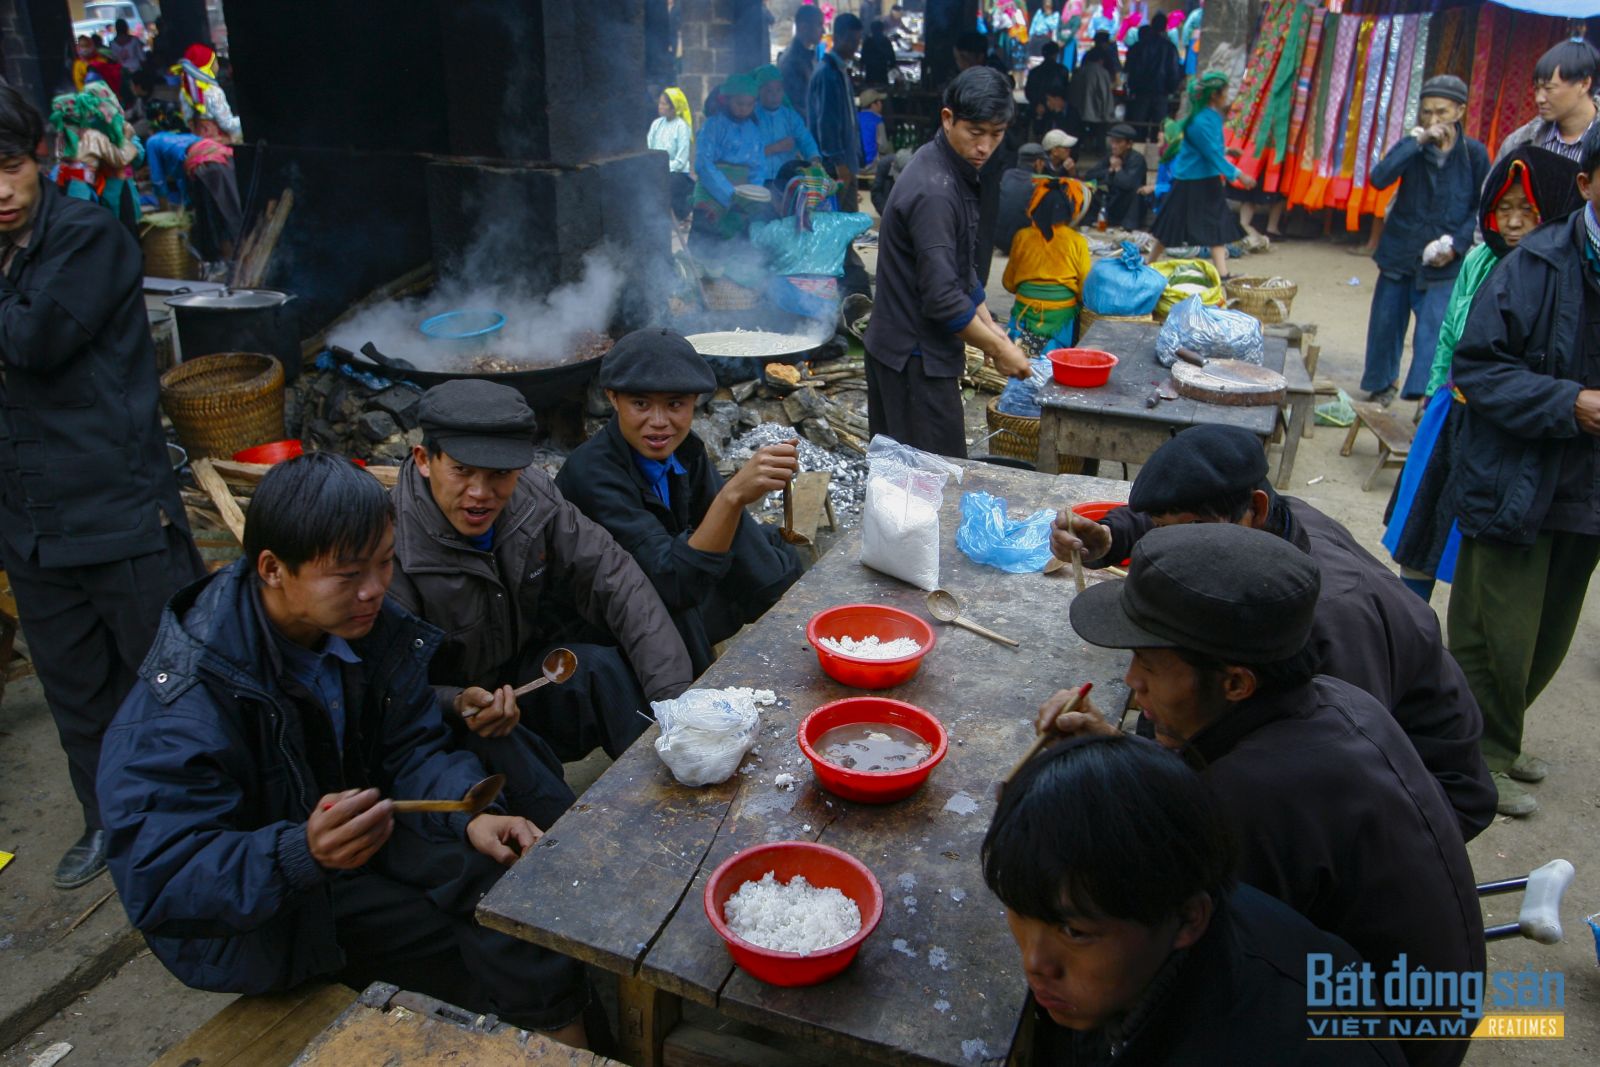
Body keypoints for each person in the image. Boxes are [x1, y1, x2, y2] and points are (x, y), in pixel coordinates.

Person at [97, 455, 596, 1047]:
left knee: (505, 883)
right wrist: (297, 853)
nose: (374, 590)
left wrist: (469, 814)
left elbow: (413, 744)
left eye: (385, 563)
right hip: (280, 906)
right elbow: (160, 880)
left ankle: (577, 1040)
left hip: (357, 839)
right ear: (273, 569)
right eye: (347, 575)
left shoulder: (369, 627)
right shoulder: (185, 703)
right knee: (467, 949)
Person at [1043, 524, 1485, 1067]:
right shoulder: (1333, 699)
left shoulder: (1251, 799)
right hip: (1429, 1009)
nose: (1133, 682)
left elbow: (1170, 972)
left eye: (1150, 664)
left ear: (1235, 684)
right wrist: (1117, 749)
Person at [1049, 424, 1496, 841]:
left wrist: (1135, 762)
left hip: (1422, 802)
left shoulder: (1328, 619)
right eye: (1166, 534)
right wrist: (1111, 536)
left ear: (1256, 509)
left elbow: (1330, 765)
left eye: (1184, 533)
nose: (1175, 546)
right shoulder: (1262, 522)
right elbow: (1162, 521)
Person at [0, 84, 203, 890]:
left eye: (10, 167)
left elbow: (32, 338)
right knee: (76, 692)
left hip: (119, 508)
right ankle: (108, 821)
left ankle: (197, 819)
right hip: (33, 521)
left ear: (39, 160)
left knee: (167, 676)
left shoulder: (86, 236)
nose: (1, 191)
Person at [986, 734, 1402, 1066]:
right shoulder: (1143, 950)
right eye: (1019, 913)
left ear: (1188, 919)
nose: (1035, 964)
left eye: (1074, 932)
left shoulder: (1290, 1045)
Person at [387, 381, 694, 765]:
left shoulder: (531, 496)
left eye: (499, 473)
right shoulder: (391, 547)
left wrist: (678, 704)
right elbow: (387, 689)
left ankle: (673, 773)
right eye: (461, 471)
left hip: (523, 679)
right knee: (537, 796)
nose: (480, 492)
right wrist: (456, 701)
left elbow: (612, 576)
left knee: (602, 670)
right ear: (423, 459)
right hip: (451, 725)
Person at [1445, 123, 1600, 818]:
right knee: (1492, 631)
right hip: (1516, 474)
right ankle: (1476, 757)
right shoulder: (1533, 263)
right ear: (1588, 185)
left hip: (1587, 487)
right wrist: (1570, 402)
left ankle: (1502, 738)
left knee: (1549, 631)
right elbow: (1475, 369)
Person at [1383, 146, 1580, 607]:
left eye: (1527, 211)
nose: (1512, 223)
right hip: (1453, 412)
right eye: (1504, 209)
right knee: (1422, 532)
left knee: (1476, 550)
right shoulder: (1478, 261)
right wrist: (1434, 394)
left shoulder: (1560, 279)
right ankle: (1412, 627)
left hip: (1508, 430)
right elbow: (1450, 335)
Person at [556, 331, 805, 674]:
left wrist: (789, 609)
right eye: (640, 404)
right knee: (680, 611)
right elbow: (670, 583)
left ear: (693, 402)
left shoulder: (686, 450)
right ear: (613, 398)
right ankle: (695, 698)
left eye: (675, 404)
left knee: (772, 551)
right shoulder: (592, 475)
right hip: (603, 625)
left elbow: (734, 533)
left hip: (673, 577)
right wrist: (733, 496)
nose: (659, 423)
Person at [864, 67, 1031, 457]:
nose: (985, 147)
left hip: (916, 352)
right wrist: (1001, 349)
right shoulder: (934, 191)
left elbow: (961, 267)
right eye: (976, 132)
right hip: (910, 360)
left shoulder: (953, 169)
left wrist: (992, 331)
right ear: (947, 119)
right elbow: (941, 297)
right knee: (922, 479)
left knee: (916, 475)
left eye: (997, 134)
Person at [1359, 75, 1488, 406]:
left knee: (1434, 332)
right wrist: (1417, 142)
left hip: (1444, 261)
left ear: (1459, 111)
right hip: (1400, 251)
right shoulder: (1411, 147)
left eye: (1441, 112)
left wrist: (1457, 245)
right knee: (1386, 324)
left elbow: (1480, 206)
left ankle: (1426, 399)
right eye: (1427, 112)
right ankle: (1381, 386)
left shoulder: (1474, 154)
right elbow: (1379, 178)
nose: (1433, 121)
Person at [1149, 72, 1255, 279]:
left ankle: (1222, 272)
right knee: (1172, 222)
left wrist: (1228, 152)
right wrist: (1239, 175)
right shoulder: (1198, 122)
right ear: (1214, 95)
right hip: (1190, 179)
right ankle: (1148, 262)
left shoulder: (1212, 116)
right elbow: (1210, 152)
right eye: (1224, 91)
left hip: (1207, 177)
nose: (1227, 95)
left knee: (1216, 222)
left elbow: (1212, 149)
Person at [1003, 176, 1091, 356]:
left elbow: (1009, 283)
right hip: (1061, 319)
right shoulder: (1077, 241)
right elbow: (1084, 291)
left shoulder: (1022, 236)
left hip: (1023, 316)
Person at [48, 82, 142, 233]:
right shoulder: (93, 135)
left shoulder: (63, 136)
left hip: (76, 187)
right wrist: (127, 139)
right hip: (91, 189)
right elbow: (121, 158)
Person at [691, 74, 767, 243]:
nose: (744, 109)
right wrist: (730, 194)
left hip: (742, 194)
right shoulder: (713, 126)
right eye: (739, 104)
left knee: (737, 246)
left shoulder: (753, 130)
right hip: (711, 191)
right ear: (725, 100)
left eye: (749, 105)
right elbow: (703, 164)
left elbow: (758, 166)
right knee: (705, 243)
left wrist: (753, 194)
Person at [1498, 39, 1600, 163]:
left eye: (1549, 89)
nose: (1539, 99)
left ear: (1584, 84)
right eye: (1537, 89)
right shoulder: (1519, 142)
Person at [808, 12, 864, 213]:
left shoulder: (840, 71)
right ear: (837, 38)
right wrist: (839, 163)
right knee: (833, 221)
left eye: (858, 41)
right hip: (834, 165)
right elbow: (827, 124)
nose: (855, 46)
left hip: (846, 161)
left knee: (849, 222)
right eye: (851, 40)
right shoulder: (827, 74)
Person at [1124, 12, 1181, 140]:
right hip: (1161, 92)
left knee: (1138, 127)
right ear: (1165, 26)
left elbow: (1129, 69)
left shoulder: (1138, 47)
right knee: (1159, 128)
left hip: (1140, 92)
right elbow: (1174, 72)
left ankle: (1137, 151)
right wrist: (1172, 89)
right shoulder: (1170, 48)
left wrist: (1132, 87)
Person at [755, 64, 820, 174]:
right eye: (769, 91)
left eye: (778, 90)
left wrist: (814, 160)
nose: (775, 95)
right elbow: (745, 152)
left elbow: (805, 140)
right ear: (759, 91)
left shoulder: (791, 117)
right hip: (757, 179)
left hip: (785, 177)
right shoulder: (752, 116)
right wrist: (775, 147)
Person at [1084, 121, 1148, 228]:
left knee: (1135, 193)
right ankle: (1091, 222)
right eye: (1112, 142)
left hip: (1127, 204)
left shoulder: (1137, 159)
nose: (1114, 146)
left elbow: (1129, 184)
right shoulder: (1110, 157)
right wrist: (1109, 170)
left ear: (1129, 144)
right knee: (1088, 189)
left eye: (1118, 142)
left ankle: (1128, 226)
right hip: (1112, 200)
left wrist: (1118, 169)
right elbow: (1089, 175)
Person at [173, 43, 240, 142]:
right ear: (207, 66)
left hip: (196, 144)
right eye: (215, 61)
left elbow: (187, 122)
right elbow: (227, 125)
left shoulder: (184, 92)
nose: (217, 65)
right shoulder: (213, 92)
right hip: (218, 146)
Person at [648, 87, 694, 221]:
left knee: (667, 185)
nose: (660, 106)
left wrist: (661, 168)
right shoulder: (656, 124)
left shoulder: (682, 127)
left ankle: (678, 216)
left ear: (673, 107)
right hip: (656, 170)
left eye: (664, 104)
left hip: (677, 174)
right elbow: (650, 149)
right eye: (660, 103)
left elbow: (681, 161)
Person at [994, 142, 1047, 254]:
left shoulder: (1007, 175)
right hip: (1023, 244)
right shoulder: (1040, 182)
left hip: (999, 241)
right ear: (1038, 163)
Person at [1066, 42, 1115, 154]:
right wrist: (1107, 111)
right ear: (1101, 60)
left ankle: (1078, 149)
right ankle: (1100, 150)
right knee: (1100, 132)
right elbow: (1104, 94)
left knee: (1079, 132)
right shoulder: (1103, 72)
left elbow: (1072, 92)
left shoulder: (1079, 71)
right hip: (1097, 111)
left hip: (1079, 110)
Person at [780, 3, 824, 122]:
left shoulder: (808, 56)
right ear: (803, 27)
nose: (823, 31)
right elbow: (798, 105)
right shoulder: (793, 61)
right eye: (819, 25)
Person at [1024, 41, 1071, 136]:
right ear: (1056, 54)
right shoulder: (1062, 70)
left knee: (1037, 136)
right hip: (1056, 110)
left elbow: (1028, 91)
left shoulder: (1034, 72)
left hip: (1037, 108)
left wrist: (1037, 103)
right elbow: (1066, 91)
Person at [145, 129, 199, 208]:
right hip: (210, 153)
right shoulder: (189, 137)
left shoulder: (152, 141)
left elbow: (157, 179)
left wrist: (164, 209)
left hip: (191, 160)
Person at [856, 87, 889, 169]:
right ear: (873, 104)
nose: (881, 104)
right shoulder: (877, 120)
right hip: (870, 166)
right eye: (880, 101)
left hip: (853, 166)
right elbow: (883, 148)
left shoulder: (854, 118)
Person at [860, 19, 895, 87]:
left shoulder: (868, 41)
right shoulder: (886, 41)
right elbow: (892, 57)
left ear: (871, 30)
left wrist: (861, 73)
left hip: (870, 73)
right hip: (882, 72)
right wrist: (890, 66)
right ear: (882, 29)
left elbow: (863, 59)